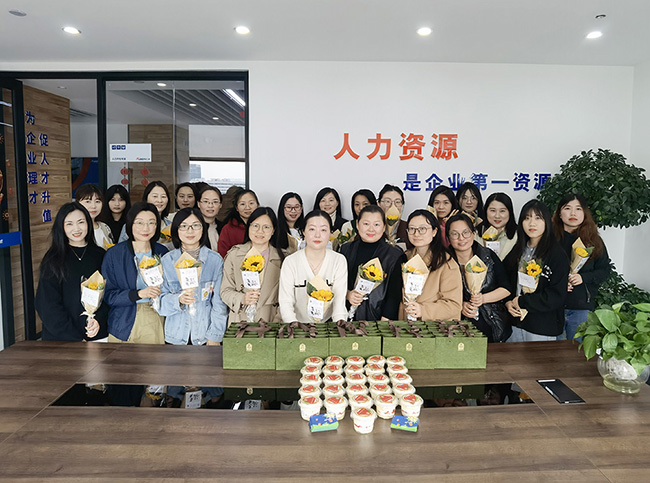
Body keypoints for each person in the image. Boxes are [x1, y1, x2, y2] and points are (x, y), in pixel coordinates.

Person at [35, 202, 108, 341]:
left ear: (88, 223)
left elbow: (109, 295)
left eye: (81, 222)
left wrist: (99, 320)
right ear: (61, 227)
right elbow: (47, 305)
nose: (76, 228)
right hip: (62, 339)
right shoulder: (53, 259)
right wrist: (75, 338)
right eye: (69, 224)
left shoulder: (100, 255)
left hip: (96, 335)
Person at [158, 208, 228, 345]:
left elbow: (219, 304)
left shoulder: (215, 260)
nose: (190, 231)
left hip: (204, 336)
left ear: (203, 229)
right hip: (175, 336)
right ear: (176, 230)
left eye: (195, 225)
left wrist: (214, 336)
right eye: (184, 226)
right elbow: (159, 303)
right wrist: (178, 300)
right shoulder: (167, 261)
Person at [102, 202, 168, 344]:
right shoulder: (115, 254)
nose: (145, 228)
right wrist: (138, 294)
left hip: (154, 316)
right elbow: (108, 295)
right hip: (123, 318)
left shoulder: (162, 252)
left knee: (154, 358)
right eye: (139, 223)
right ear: (130, 224)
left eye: (151, 223)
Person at [504, 200, 569, 342]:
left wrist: (523, 302)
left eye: (538, 218)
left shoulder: (556, 254)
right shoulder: (518, 250)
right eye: (527, 218)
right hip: (515, 323)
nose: (532, 223)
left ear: (547, 222)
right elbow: (505, 280)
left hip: (542, 327)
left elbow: (556, 295)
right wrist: (508, 302)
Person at [552, 193, 611, 341]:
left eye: (578, 208)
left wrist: (583, 277)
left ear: (584, 213)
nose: (573, 213)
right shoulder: (549, 239)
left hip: (580, 308)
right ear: (559, 213)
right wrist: (558, 283)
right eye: (567, 208)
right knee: (550, 351)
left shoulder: (593, 241)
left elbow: (605, 270)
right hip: (552, 306)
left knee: (578, 351)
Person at [446, 213, 511, 342]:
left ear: (473, 233)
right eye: (454, 234)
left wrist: (483, 298)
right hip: (457, 330)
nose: (461, 238)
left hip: (492, 325)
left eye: (466, 232)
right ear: (448, 237)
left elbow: (506, 288)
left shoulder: (488, 256)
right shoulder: (443, 261)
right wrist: (459, 305)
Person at [279, 210, 348, 323]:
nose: (317, 235)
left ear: (330, 233)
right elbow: (286, 302)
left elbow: (339, 302)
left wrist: (340, 326)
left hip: (328, 325)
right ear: (304, 232)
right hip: (296, 326)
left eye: (323, 230)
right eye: (312, 229)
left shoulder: (339, 260)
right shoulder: (290, 262)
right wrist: (293, 326)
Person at [340, 205, 406, 321]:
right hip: (345, 316)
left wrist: (384, 322)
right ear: (357, 224)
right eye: (366, 224)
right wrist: (347, 294)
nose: (371, 229)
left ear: (384, 227)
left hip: (377, 318)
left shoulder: (394, 255)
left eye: (376, 225)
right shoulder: (346, 249)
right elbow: (337, 282)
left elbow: (394, 295)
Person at [221, 207, 284, 324]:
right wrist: (242, 299)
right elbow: (225, 291)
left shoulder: (282, 259)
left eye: (266, 227)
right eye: (255, 226)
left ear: (273, 230)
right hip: (240, 320)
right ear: (248, 227)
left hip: (270, 320)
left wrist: (277, 322)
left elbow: (287, 297)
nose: (260, 231)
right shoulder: (234, 255)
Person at [398, 209, 462, 321]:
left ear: (434, 231)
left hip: (434, 327)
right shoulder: (405, 257)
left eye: (422, 229)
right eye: (412, 229)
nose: (416, 234)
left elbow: (454, 305)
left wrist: (423, 310)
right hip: (406, 324)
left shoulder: (446, 262)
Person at [217, 188, 259, 257]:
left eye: (251, 203)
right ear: (236, 207)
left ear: (257, 205)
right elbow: (222, 255)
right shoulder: (228, 229)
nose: (247, 207)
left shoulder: (264, 226)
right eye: (242, 204)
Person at [476, 192, 518, 261]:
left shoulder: (518, 235)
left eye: (502, 211)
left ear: (510, 212)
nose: (497, 216)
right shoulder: (476, 233)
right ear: (486, 211)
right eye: (493, 211)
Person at [76, 184, 114, 249]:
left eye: (97, 201)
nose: (93, 206)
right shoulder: (75, 230)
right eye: (88, 201)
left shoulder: (104, 227)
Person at [377, 184, 412, 250]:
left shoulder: (409, 227)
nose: (393, 206)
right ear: (379, 204)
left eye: (397, 202)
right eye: (387, 201)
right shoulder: (373, 227)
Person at [196, 185, 223, 251]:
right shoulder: (193, 228)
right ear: (198, 204)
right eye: (206, 201)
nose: (210, 206)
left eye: (215, 202)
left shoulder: (224, 228)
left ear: (220, 205)